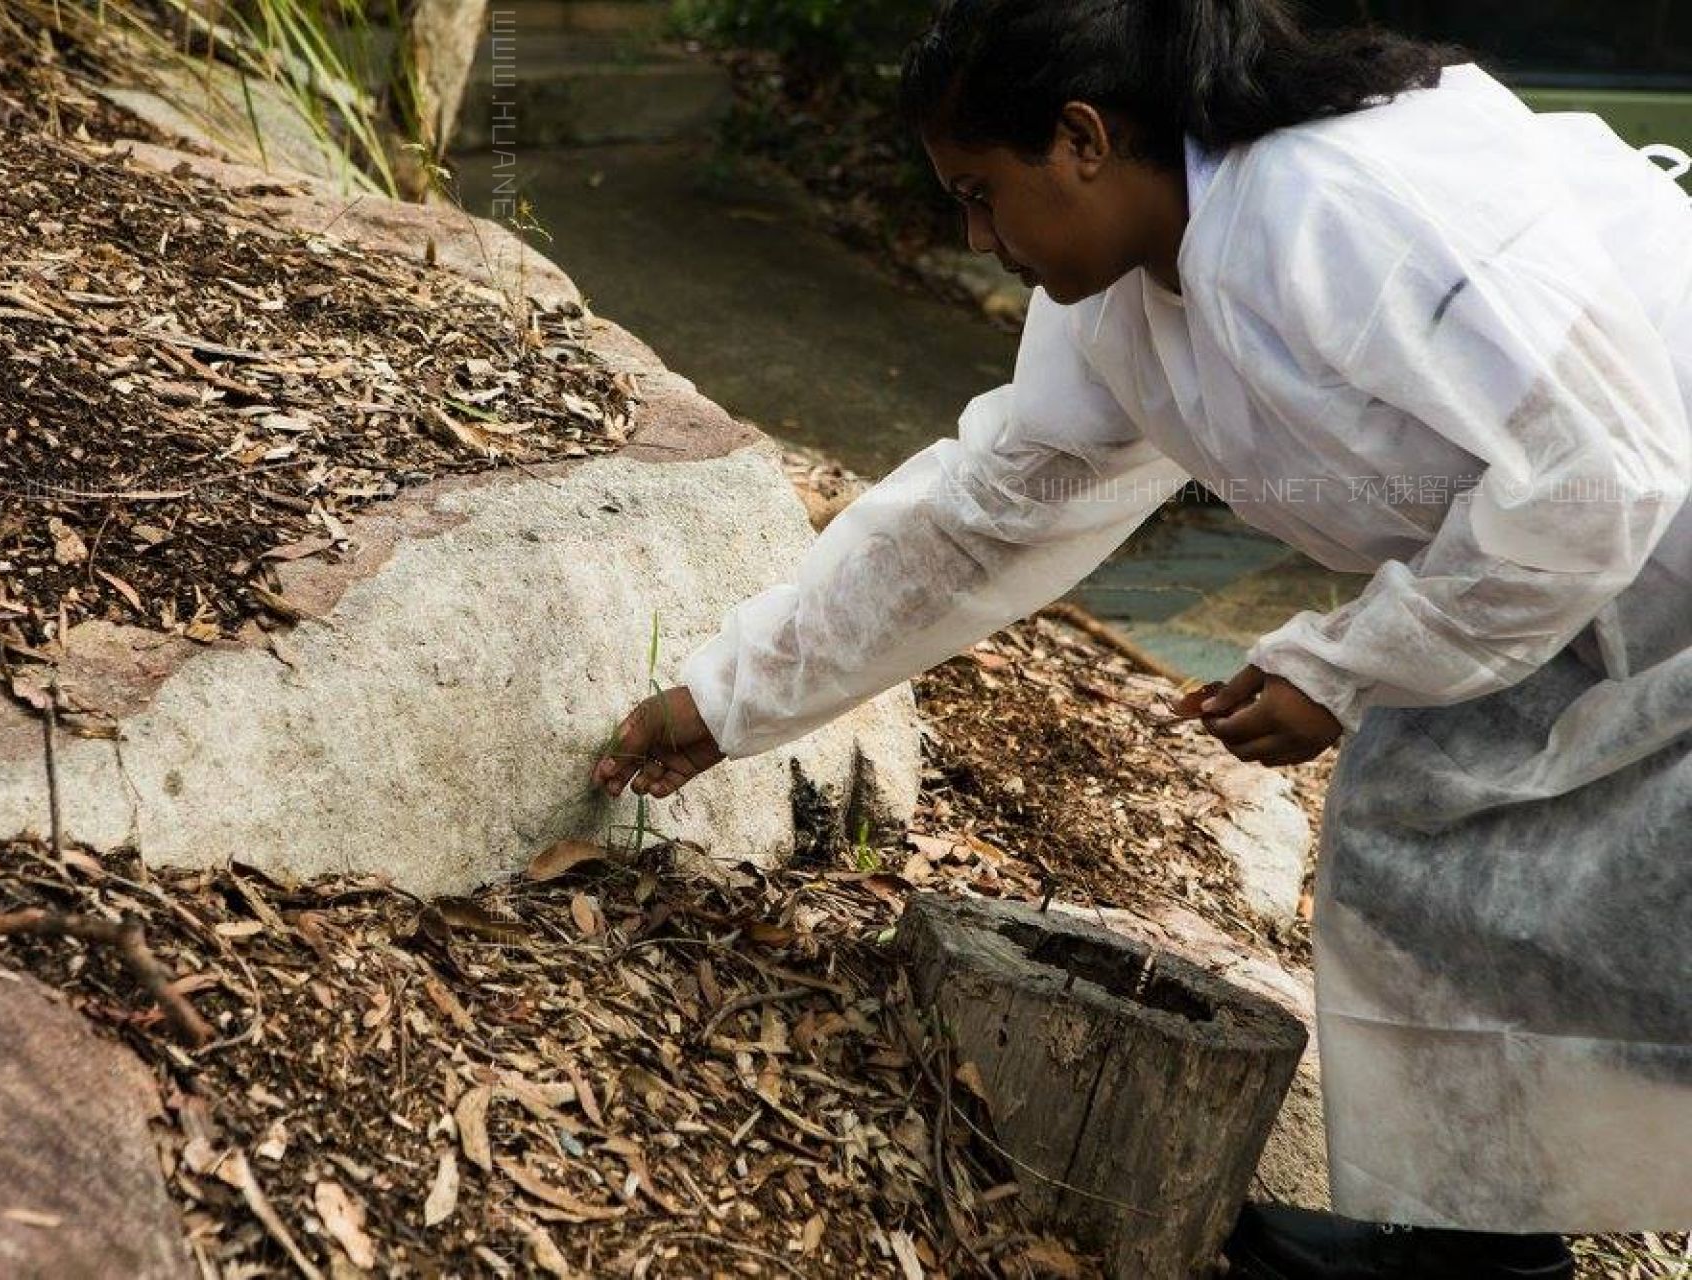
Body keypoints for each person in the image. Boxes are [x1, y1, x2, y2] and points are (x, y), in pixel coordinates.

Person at [593, 0, 1692, 1274]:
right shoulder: (1118, 300)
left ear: (1082, 139)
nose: (976, 236)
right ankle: (1476, 1242)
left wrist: (1348, 666)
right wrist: (725, 698)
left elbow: (1602, 471)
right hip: (1571, 576)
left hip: (1654, 532)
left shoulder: (1341, 204)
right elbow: (988, 512)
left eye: (982, 195)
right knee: (1421, 825)